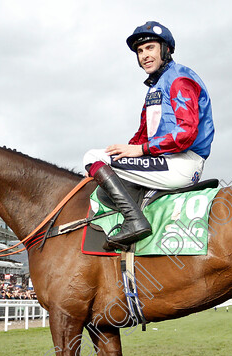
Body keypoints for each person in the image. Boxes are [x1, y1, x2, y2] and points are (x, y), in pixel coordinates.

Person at [83, 21, 215, 249]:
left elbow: (186, 133)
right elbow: (141, 137)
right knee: (104, 158)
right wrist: (123, 154)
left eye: (150, 48)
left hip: (183, 162)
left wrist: (139, 151)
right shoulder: (155, 88)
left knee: (91, 157)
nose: (144, 55)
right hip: (165, 160)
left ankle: (135, 222)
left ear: (166, 49)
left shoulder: (180, 79)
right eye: (140, 51)